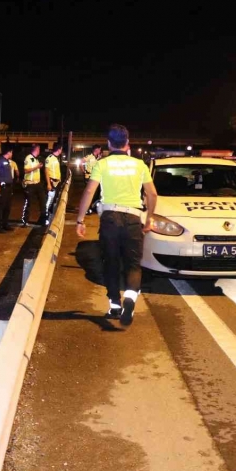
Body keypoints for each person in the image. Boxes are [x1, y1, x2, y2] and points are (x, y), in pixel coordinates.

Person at [77, 124, 158, 326]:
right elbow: (152, 194)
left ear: (109, 143)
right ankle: (130, 298)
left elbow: (89, 192)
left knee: (111, 263)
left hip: (110, 218)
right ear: (127, 143)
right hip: (132, 218)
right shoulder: (139, 165)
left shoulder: (102, 164)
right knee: (133, 264)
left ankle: (115, 305)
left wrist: (80, 220)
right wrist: (149, 219)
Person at [21, 144, 46, 227]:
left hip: (37, 183)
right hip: (30, 184)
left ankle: (43, 220)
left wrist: (39, 167)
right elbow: (26, 170)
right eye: (38, 150)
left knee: (42, 200)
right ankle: (25, 220)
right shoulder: (28, 158)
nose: (39, 151)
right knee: (28, 202)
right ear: (36, 150)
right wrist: (37, 167)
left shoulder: (36, 159)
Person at [0, 143, 15, 233]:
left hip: (9, 187)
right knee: (0, 207)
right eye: (11, 152)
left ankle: (5, 224)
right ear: (8, 152)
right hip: (3, 187)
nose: (12, 154)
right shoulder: (0, 161)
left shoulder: (8, 161)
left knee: (7, 207)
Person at [44, 144, 63, 222]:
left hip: (56, 182)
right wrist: (48, 183)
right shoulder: (50, 158)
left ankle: (50, 215)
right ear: (59, 150)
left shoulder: (55, 158)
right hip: (52, 182)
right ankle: (45, 216)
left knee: (53, 200)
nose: (61, 151)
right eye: (61, 149)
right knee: (49, 200)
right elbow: (46, 171)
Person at [83, 144, 103, 214]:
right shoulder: (89, 157)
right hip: (89, 178)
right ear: (96, 150)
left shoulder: (96, 158)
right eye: (99, 149)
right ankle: (87, 209)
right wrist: (85, 172)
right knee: (89, 194)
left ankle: (92, 208)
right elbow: (81, 164)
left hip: (95, 178)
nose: (100, 151)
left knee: (96, 194)